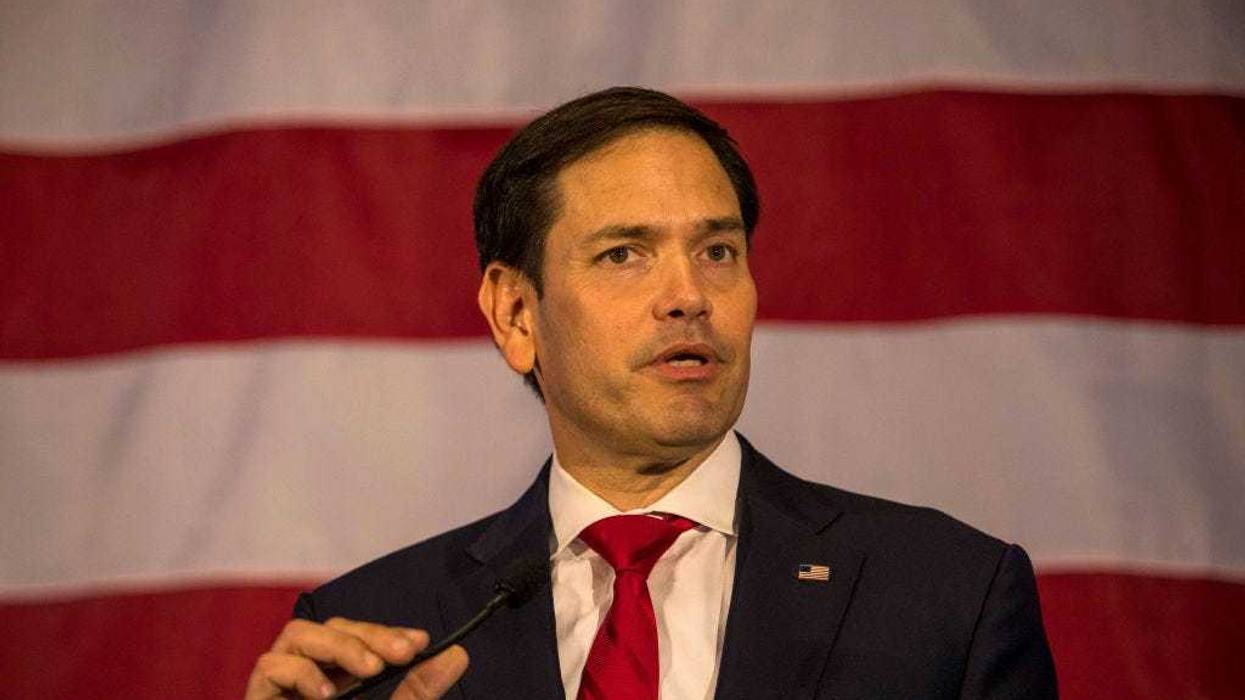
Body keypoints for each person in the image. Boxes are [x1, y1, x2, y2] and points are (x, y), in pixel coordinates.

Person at [245, 87, 1057, 699]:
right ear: (516, 314)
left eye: (717, 251)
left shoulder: (947, 595)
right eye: (623, 254)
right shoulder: (378, 638)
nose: (688, 296)